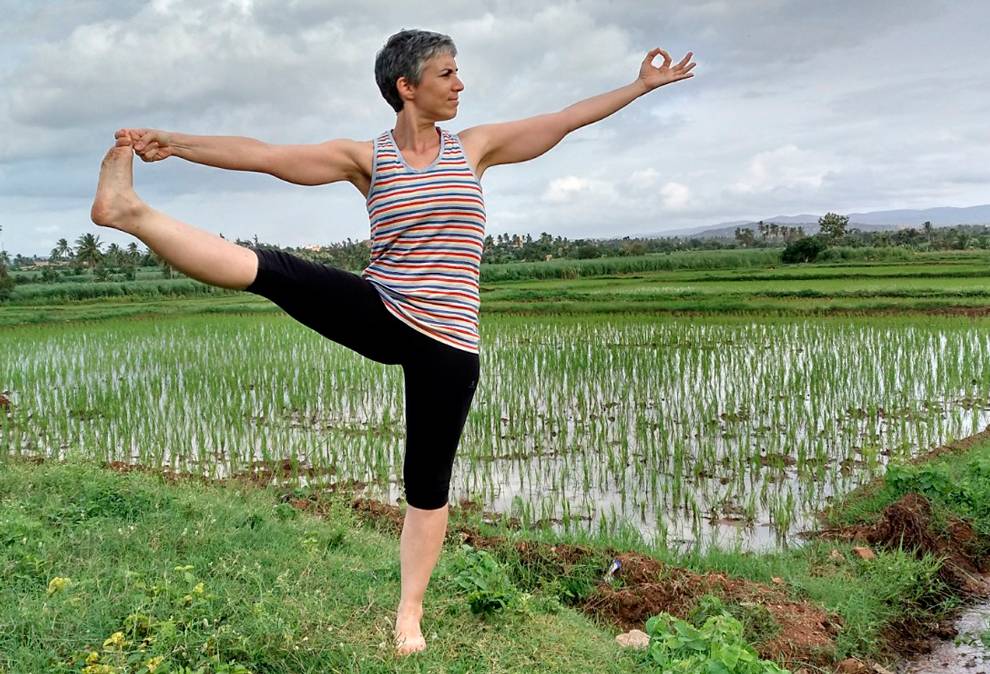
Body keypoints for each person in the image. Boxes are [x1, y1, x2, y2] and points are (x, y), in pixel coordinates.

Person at [90, 28, 695, 656]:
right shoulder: (367, 158)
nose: (460, 84)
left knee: (427, 481)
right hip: (383, 308)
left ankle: (410, 612)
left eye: (458, 73)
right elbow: (267, 154)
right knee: (273, 270)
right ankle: (128, 212)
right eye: (446, 74)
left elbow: (565, 118)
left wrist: (640, 87)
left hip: (451, 341)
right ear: (406, 88)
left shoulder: (476, 148)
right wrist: (176, 143)